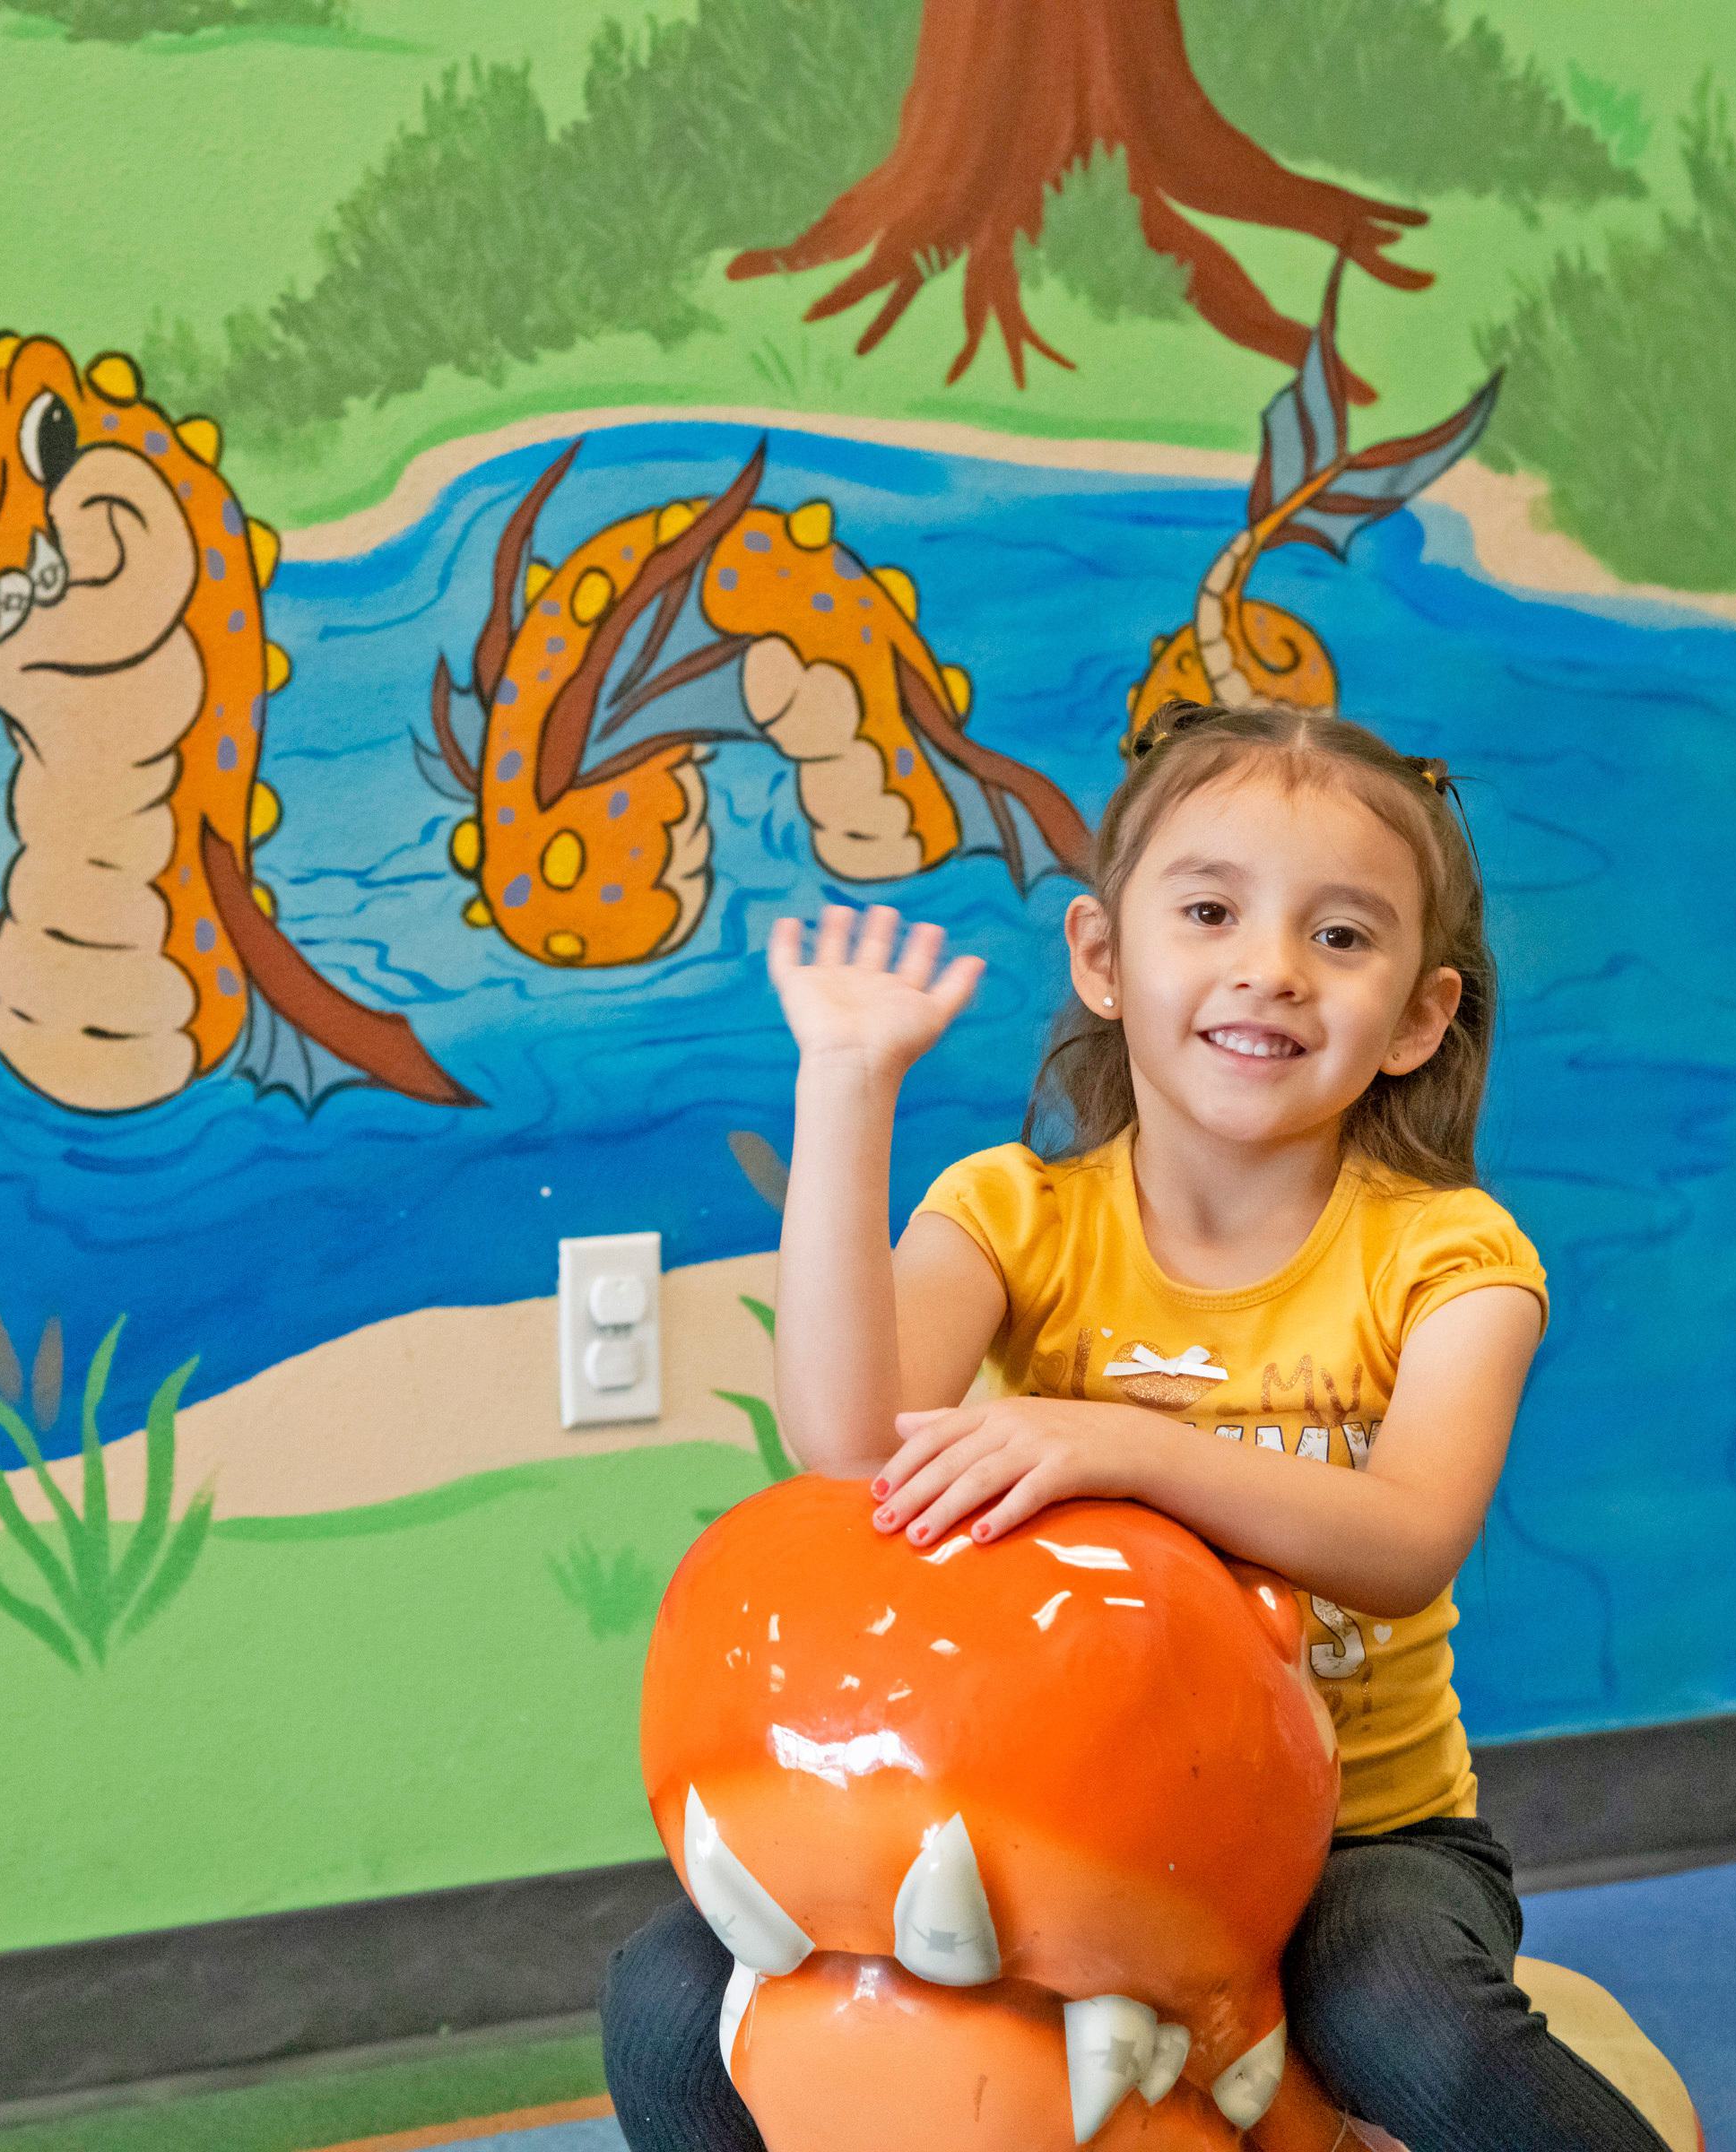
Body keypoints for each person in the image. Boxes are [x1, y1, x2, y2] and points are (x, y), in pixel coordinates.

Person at [602, 700, 1670, 2151]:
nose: (1271, 970)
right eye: (1213, 910)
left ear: (1422, 1014)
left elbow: (1409, 1539)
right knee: (668, 1999)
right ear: (1106, 960)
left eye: (1342, 937)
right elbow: (848, 1445)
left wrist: (1122, 1443)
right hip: (1057, 1821)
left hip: (1369, 1835)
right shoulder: (1013, 1215)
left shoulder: (1454, 1260)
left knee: (1397, 2004)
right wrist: (846, 1091)